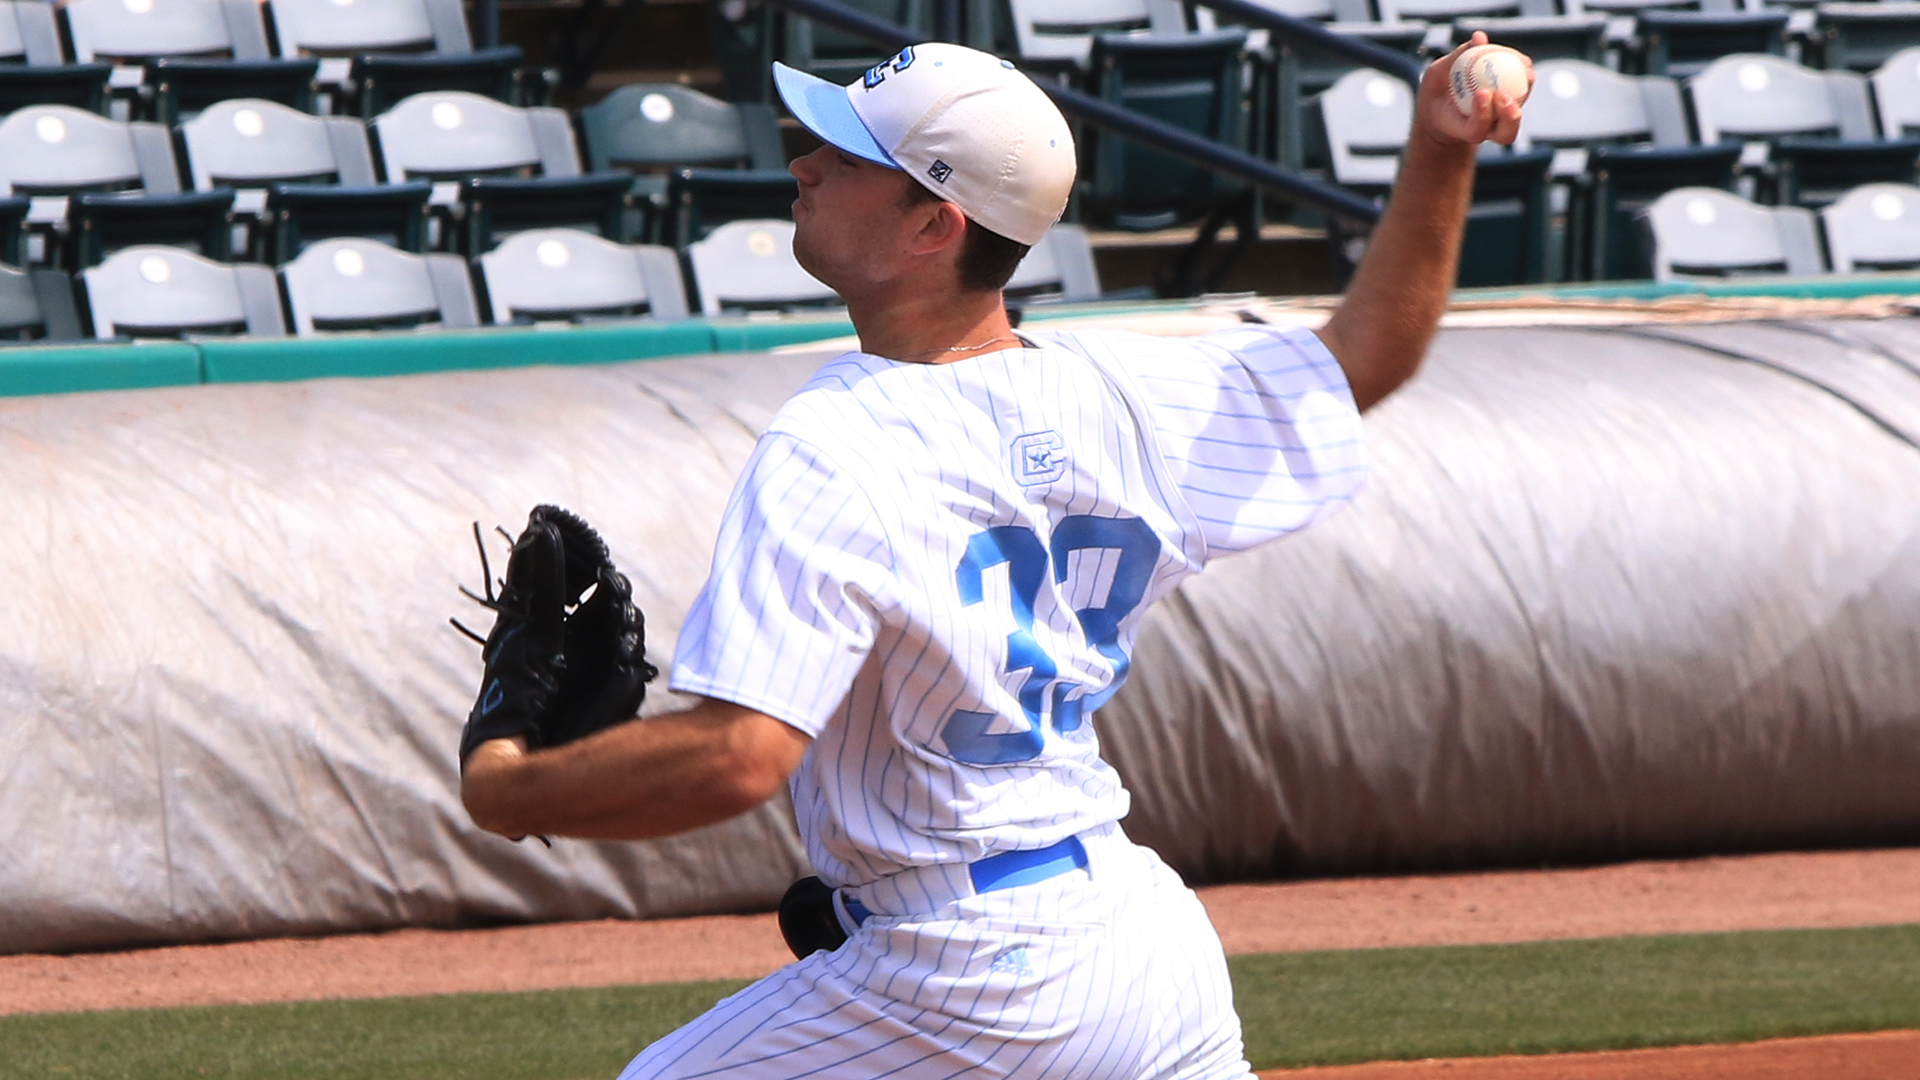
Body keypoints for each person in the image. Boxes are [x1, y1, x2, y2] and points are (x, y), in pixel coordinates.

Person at [461, 35, 1527, 1080]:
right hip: (1135, 941)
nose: (805, 163)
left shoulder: (836, 439)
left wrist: (511, 787)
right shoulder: (1125, 394)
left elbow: (739, 754)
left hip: (963, 980)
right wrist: (1441, 149)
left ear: (934, 224)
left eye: (849, 155)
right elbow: (1363, 359)